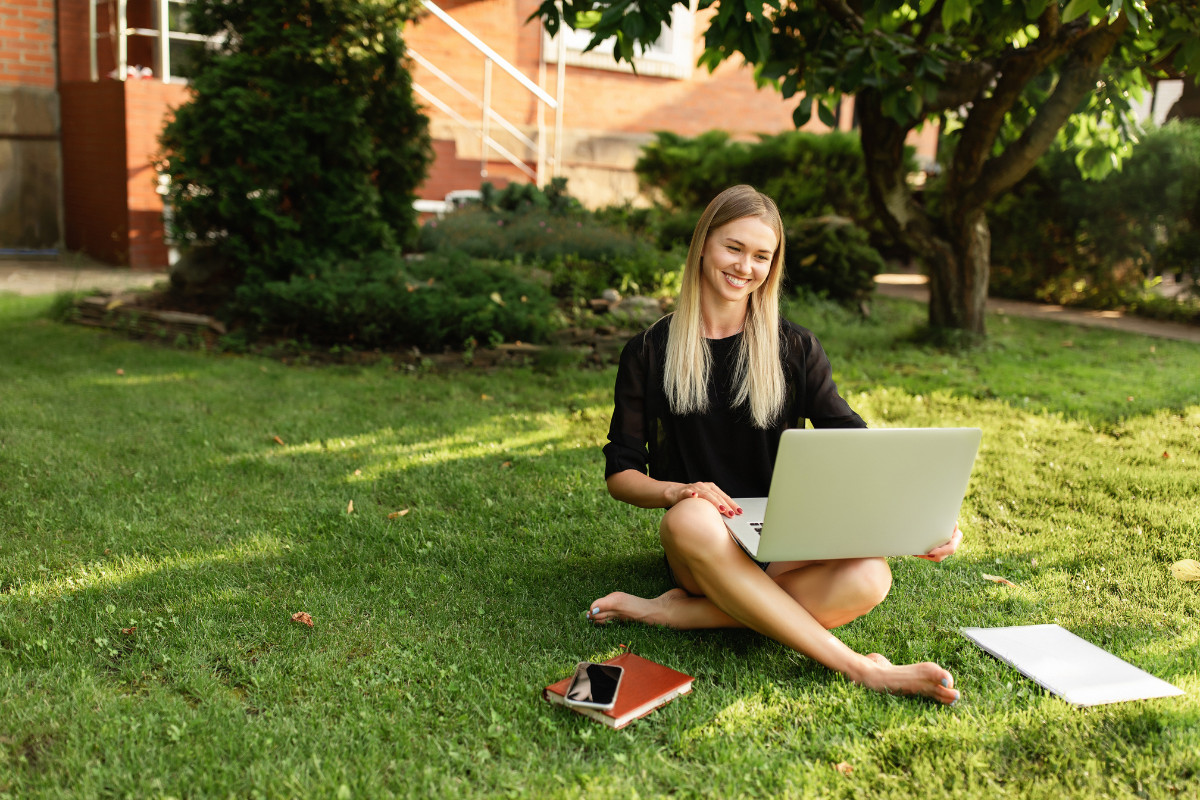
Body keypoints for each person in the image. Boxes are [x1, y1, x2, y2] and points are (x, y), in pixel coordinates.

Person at [589, 185, 962, 705]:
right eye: (733, 248)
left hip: (784, 538)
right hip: (706, 541)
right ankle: (860, 669)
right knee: (690, 517)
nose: (745, 266)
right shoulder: (650, 350)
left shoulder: (794, 347)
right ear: (703, 246)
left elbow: (853, 440)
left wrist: (923, 517)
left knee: (871, 577)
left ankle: (674, 612)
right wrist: (678, 491)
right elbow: (622, 474)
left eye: (761, 255)